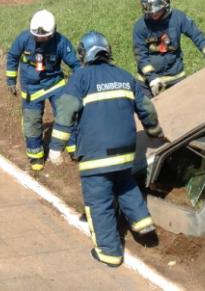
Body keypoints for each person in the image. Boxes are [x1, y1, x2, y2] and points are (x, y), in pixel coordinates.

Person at [49, 31, 162, 268]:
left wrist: (56, 146)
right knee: (124, 184)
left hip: (96, 155)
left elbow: (66, 110)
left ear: (83, 55)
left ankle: (109, 252)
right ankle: (143, 224)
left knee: (99, 203)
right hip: (125, 153)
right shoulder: (124, 76)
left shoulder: (80, 78)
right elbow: (146, 109)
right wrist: (153, 132)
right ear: (107, 51)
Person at [6, 10, 80, 171]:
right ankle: (36, 155)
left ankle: (74, 147)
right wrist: (11, 80)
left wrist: (80, 83)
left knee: (67, 113)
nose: (39, 38)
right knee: (32, 122)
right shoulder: (24, 38)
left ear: (53, 33)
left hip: (54, 83)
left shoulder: (61, 42)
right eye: (36, 36)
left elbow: (76, 64)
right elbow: (12, 56)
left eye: (44, 36)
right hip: (31, 87)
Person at [133, 0, 205, 96]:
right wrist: (152, 78)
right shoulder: (140, 26)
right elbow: (140, 56)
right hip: (148, 81)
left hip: (175, 76)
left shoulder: (178, 18)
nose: (153, 14)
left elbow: (197, 35)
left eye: (157, 10)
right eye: (149, 11)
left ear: (165, 3)